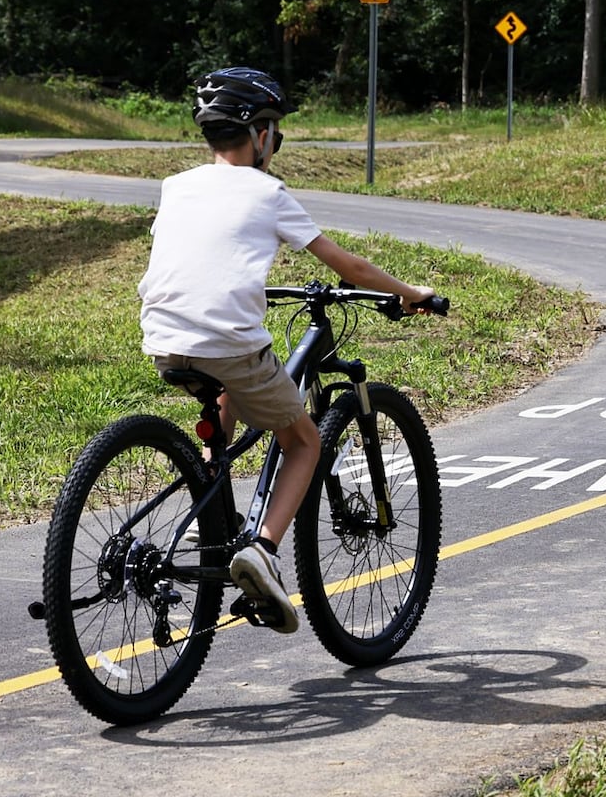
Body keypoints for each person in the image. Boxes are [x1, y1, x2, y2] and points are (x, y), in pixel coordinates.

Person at [138, 66, 436, 633]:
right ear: (257, 134)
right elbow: (349, 267)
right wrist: (410, 293)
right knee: (301, 440)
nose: (275, 140)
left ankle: (210, 512)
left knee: (225, 391)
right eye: (274, 128)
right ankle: (263, 551)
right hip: (226, 343)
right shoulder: (267, 191)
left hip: (164, 338)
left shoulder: (176, 186)